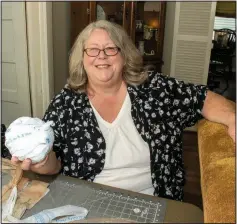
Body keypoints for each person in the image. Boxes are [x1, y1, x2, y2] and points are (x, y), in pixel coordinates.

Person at [11, 20, 235, 201]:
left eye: (110, 48)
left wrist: (233, 118)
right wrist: (41, 162)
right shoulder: (66, 102)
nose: (102, 56)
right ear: (82, 58)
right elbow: (55, 163)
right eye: (93, 50)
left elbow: (202, 98)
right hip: (87, 200)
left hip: (153, 199)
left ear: (124, 55)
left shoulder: (155, 88)